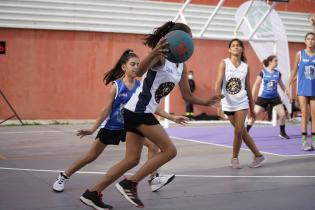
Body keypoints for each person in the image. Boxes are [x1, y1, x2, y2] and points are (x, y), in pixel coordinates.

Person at [79, 21, 223, 210]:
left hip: (136, 111)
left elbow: (187, 95)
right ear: (176, 38)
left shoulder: (181, 65)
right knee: (170, 150)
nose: (188, 41)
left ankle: (92, 193)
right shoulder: (161, 56)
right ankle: (129, 184)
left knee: (132, 159)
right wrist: (153, 53)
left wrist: (206, 102)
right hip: (139, 111)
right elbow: (139, 72)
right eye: (186, 37)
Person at [52, 49, 188, 202]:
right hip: (112, 126)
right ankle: (64, 175)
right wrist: (92, 129)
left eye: (138, 64)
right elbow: (106, 110)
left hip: (131, 126)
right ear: (124, 67)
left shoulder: (140, 85)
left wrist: (171, 117)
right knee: (91, 156)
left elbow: (153, 107)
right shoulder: (116, 86)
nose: (136, 67)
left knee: (153, 146)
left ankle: (153, 178)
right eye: (132, 64)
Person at [214, 38, 265, 169]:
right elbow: (218, 83)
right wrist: (218, 102)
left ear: (242, 49)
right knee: (241, 132)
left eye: (238, 45)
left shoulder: (245, 67)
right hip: (227, 103)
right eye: (233, 45)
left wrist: (252, 109)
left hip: (242, 102)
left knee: (238, 130)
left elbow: (248, 87)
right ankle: (258, 155)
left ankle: (234, 158)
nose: (236, 47)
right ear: (229, 49)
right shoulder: (224, 63)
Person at [286, 15, 315, 151]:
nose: (310, 41)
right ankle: (304, 141)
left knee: (314, 115)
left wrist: (313, 25)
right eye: (308, 39)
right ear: (305, 41)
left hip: (314, 88)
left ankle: (313, 141)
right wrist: (288, 85)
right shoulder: (300, 54)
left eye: (312, 39)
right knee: (305, 114)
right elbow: (294, 70)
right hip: (302, 89)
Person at [246, 55, 290, 139]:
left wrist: (287, 91)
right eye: (275, 61)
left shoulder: (278, 73)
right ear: (270, 62)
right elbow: (256, 85)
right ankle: (245, 132)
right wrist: (252, 97)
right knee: (254, 115)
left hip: (274, 97)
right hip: (263, 97)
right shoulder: (262, 73)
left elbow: (281, 85)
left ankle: (282, 132)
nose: (277, 62)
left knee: (282, 114)